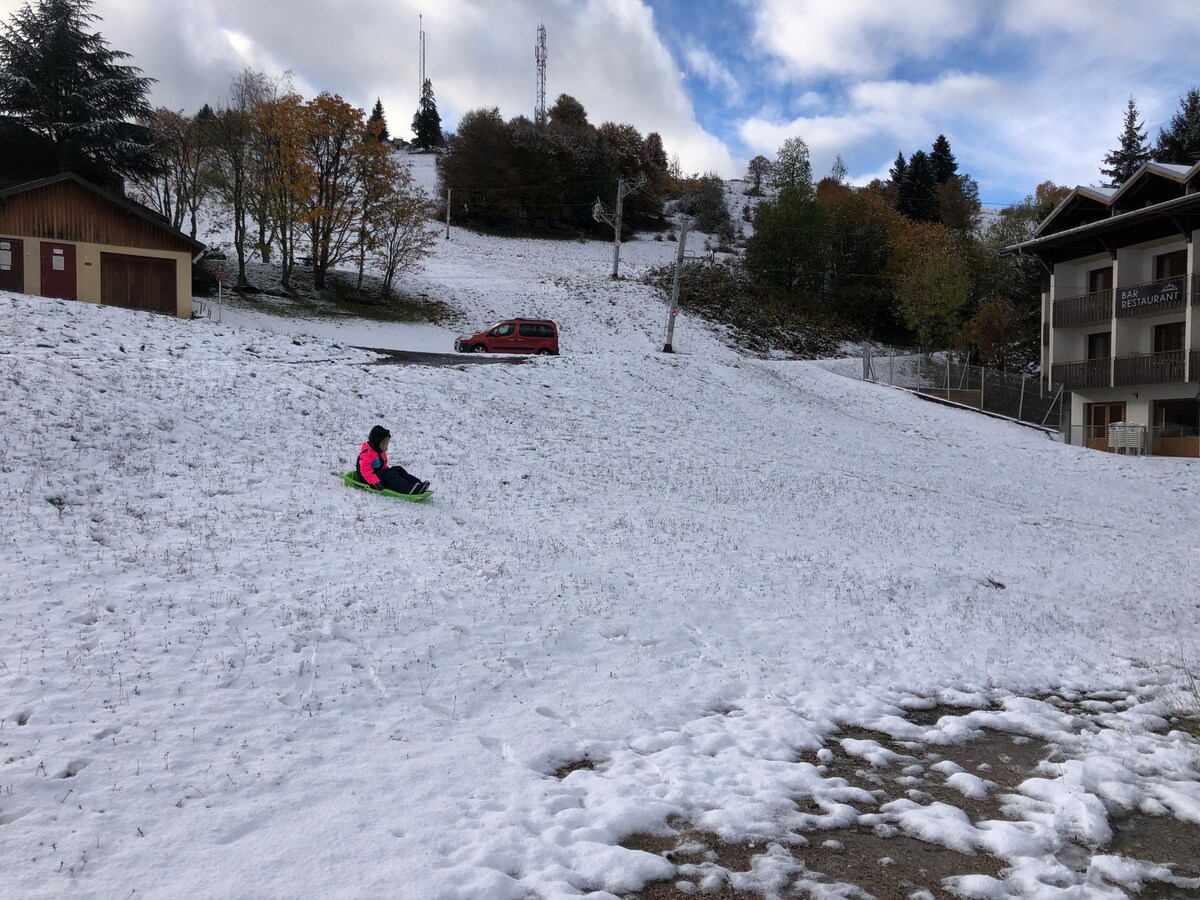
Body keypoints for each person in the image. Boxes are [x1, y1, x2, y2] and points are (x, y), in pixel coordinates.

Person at [356, 425, 429, 495]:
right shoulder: (366, 454)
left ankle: (418, 485)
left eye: (387, 442)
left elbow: (382, 466)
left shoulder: (379, 451)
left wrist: (389, 471)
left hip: (377, 475)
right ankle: (408, 489)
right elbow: (365, 472)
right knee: (390, 474)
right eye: (384, 443)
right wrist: (376, 482)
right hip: (368, 479)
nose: (386, 445)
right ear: (376, 442)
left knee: (398, 469)